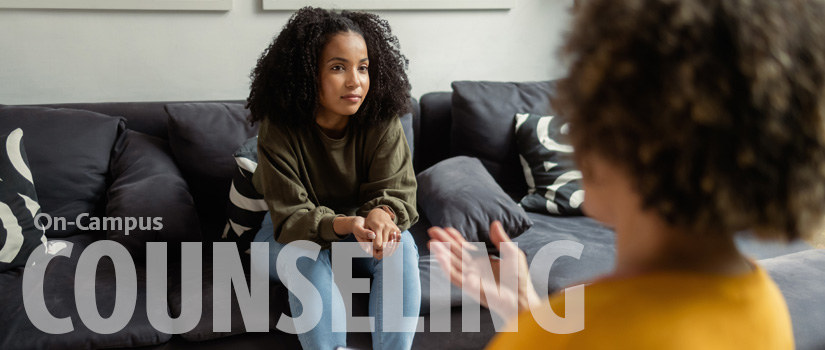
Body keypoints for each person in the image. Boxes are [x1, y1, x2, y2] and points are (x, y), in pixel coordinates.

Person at [428, 0, 825, 348]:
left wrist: (528, 325)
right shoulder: (765, 304)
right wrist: (519, 304)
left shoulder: (573, 331)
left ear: (613, 138)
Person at [246, 7, 420, 350]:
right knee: (305, 256)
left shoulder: (382, 119)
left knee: (402, 246)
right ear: (307, 74)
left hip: (358, 230)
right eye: (338, 67)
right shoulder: (278, 128)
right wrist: (345, 223)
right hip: (287, 232)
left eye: (363, 67)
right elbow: (291, 217)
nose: (355, 81)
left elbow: (397, 191)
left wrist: (381, 215)